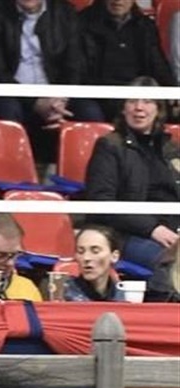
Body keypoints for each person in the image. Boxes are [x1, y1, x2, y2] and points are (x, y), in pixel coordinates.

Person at [0, 0, 103, 159]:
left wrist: (60, 99)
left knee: (89, 112)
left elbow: (74, 65)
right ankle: (11, 169)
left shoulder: (65, 12)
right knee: (7, 109)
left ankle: (86, 172)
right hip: (11, 93)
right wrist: (35, 102)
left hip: (56, 95)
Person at [84, 77, 180, 272]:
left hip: (172, 231)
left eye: (147, 101)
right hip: (127, 235)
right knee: (173, 263)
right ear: (123, 108)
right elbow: (101, 203)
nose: (139, 108)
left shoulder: (171, 148)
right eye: (132, 101)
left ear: (158, 109)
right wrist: (152, 229)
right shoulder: (109, 146)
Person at [78, 0, 176, 122]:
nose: (118, 1)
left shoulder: (145, 25)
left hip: (137, 92)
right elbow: (78, 70)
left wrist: (173, 92)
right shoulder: (81, 22)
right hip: (97, 94)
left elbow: (158, 65)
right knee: (91, 113)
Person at [55, 224, 127, 302]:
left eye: (95, 251)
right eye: (80, 251)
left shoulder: (124, 295)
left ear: (114, 256)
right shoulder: (63, 293)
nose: (86, 258)